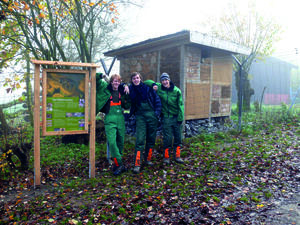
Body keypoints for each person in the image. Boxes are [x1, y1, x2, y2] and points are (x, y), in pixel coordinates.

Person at [144, 72, 184, 164]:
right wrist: (153, 84)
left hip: (176, 117)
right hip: (166, 118)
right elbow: (146, 82)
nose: (165, 82)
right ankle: (166, 157)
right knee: (167, 138)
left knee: (178, 138)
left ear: (169, 80)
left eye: (166, 80)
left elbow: (180, 105)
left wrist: (180, 118)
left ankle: (177, 156)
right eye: (163, 80)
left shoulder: (176, 90)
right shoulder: (159, 88)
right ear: (161, 82)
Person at [96, 73, 130, 175]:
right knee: (112, 142)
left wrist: (127, 94)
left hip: (120, 118)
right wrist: (101, 75)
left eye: (118, 81)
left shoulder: (122, 90)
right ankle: (119, 164)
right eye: (115, 81)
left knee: (120, 142)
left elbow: (127, 105)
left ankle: (117, 164)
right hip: (109, 118)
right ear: (111, 82)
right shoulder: (105, 89)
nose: (116, 83)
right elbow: (96, 81)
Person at [129, 72, 162, 174]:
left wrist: (156, 114)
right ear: (132, 80)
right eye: (134, 78)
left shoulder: (148, 89)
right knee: (140, 140)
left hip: (152, 116)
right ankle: (137, 164)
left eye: (137, 78)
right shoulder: (131, 90)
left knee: (151, 139)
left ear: (141, 79)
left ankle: (148, 159)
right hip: (140, 117)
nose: (136, 80)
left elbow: (157, 101)